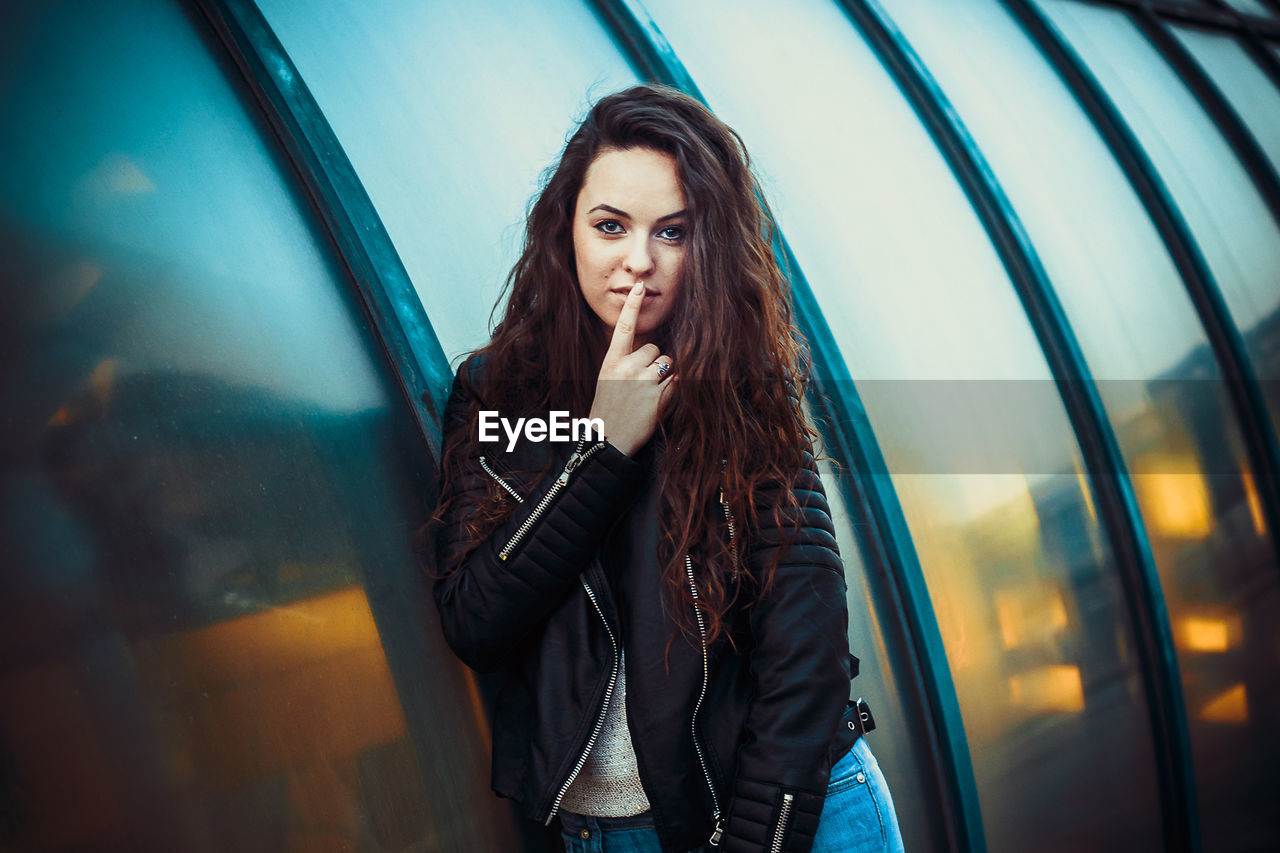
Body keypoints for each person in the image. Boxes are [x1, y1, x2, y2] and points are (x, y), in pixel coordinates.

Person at [421, 84, 904, 853]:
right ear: (566, 229)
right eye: (610, 225)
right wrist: (602, 451)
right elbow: (475, 619)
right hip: (606, 836)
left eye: (671, 233)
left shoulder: (742, 393)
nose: (637, 263)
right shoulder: (497, 393)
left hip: (792, 820)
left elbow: (805, 665)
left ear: (704, 247)